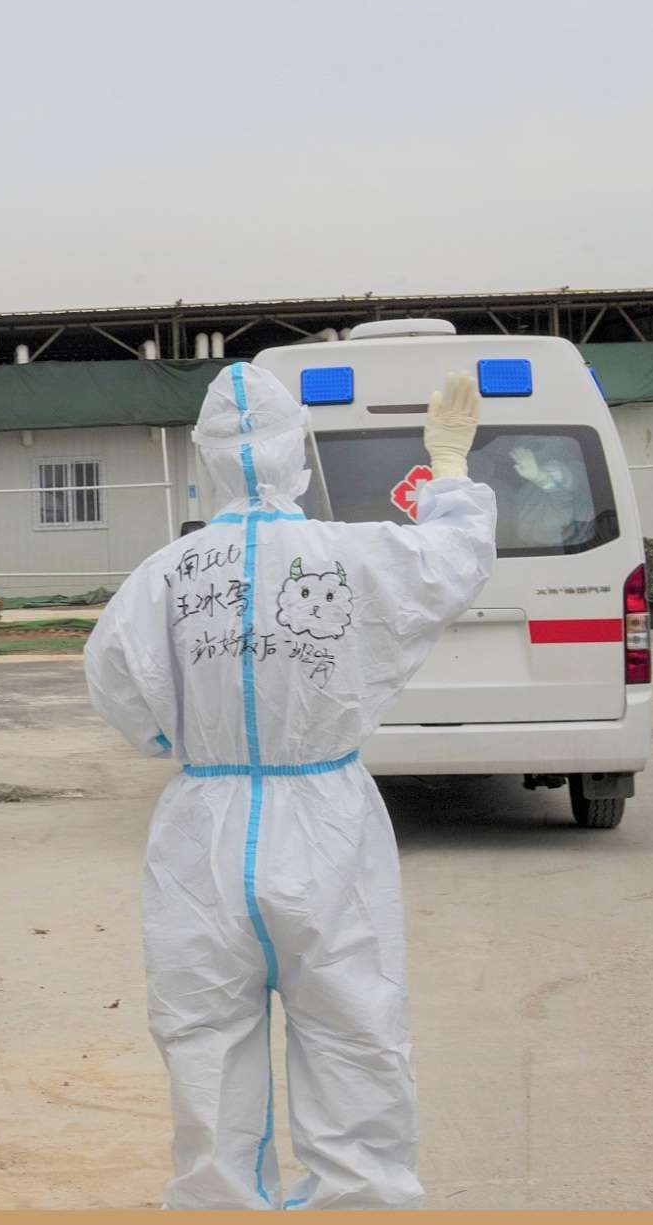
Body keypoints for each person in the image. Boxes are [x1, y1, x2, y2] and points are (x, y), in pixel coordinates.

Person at [84, 365, 497, 1209]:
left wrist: (182, 741)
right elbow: (453, 561)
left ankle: (220, 1202)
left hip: (204, 828)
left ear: (205, 459)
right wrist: (450, 468)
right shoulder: (351, 554)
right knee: (355, 1034)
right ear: (297, 455)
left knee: (205, 1044)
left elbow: (115, 682)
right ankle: (363, 1201)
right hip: (326, 819)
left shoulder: (165, 573)